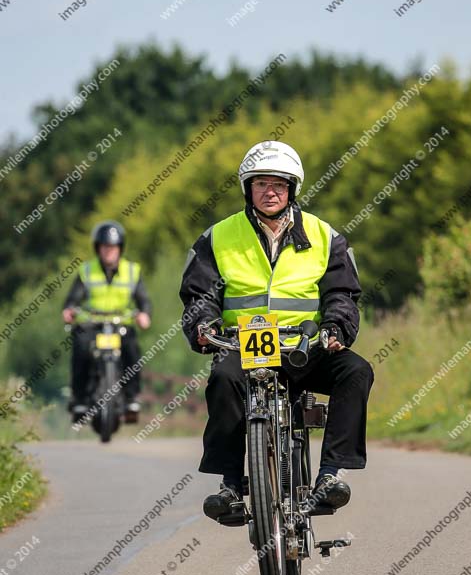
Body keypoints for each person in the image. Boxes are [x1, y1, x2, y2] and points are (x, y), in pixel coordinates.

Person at [179, 141, 374, 520]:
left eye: (279, 185)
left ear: (292, 189)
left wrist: (336, 327)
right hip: (244, 349)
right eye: (260, 184)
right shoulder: (217, 237)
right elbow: (198, 293)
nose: (270, 192)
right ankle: (231, 486)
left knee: (357, 370)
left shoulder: (325, 236)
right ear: (247, 189)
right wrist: (203, 325)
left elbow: (342, 292)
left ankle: (330, 475)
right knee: (222, 378)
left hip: (306, 348)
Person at [62, 220, 152, 420]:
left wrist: (144, 314)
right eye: (105, 247)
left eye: (113, 247)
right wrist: (69, 311)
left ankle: (132, 399)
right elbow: (73, 299)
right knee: (81, 348)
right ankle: (79, 399)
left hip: (122, 324)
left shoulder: (132, 270)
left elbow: (143, 299)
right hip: (92, 324)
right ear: (98, 248)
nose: (109, 252)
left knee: (132, 351)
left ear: (120, 248)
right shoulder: (87, 270)